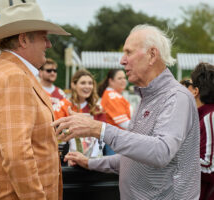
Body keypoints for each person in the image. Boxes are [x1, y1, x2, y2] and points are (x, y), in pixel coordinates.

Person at [52, 24, 201, 199]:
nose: (122, 60)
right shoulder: (147, 96)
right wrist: (91, 163)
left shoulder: (176, 97)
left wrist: (100, 129)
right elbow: (132, 160)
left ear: (152, 55)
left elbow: (161, 152)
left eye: (129, 52)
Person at [0, 1, 70, 200]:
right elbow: (17, 156)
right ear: (23, 40)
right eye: (44, 38)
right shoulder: (15, 77)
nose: (49, 44)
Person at [53, 69, 106, 159]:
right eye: (83, 83)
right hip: (68, 159)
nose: (87, 86)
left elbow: (102, 135)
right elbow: (57, 133)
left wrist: (92, 158)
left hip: (93, 160)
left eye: (90, 83)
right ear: (73, 85)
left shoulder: (98, 108)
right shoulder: (63, 106)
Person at [183, 63, 214, 200]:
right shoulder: (203, 116)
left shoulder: (209, 117)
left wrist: (171, 157)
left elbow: (210, 168)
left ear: (195, 91)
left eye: (189, 83)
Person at [98, 69, 131, 155]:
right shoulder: (112, 96)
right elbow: (123, 123)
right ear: (111, 81)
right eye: (119, 78)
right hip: (115, 140)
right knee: (115, 167)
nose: (123, 80)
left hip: (115, 139)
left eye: (124, 78)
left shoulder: (114, 94)